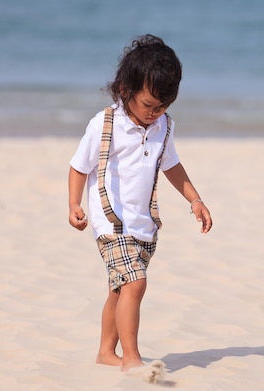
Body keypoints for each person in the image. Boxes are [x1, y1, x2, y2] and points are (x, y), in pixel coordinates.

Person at [68, 34, 212, 372]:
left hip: (142, 225)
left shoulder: (163, 126)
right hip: (110, 221)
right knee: (136, 283)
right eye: (149, 105)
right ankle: (131, 359)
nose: (156, 113)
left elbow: (172, 165)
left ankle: (106, 352)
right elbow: (78, 166)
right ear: (125, 90)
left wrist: (195, 198)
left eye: (164, 106)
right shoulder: (105, 124)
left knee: (120, 290)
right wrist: (74, 204)